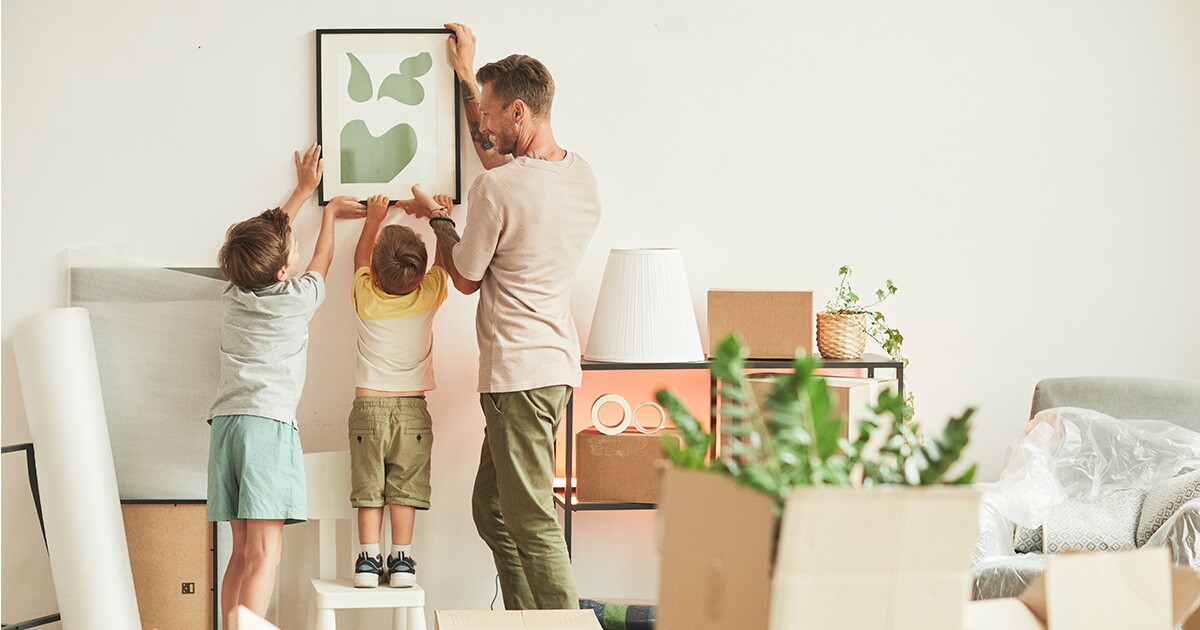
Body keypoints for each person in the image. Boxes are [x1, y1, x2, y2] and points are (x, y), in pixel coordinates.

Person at [407, 23, 603, 610]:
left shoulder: (498, 192)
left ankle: (560, 625)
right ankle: (525, 620)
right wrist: (467, 76)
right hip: (553, 369)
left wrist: (439, 220)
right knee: (492, 510)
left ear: (520, 111)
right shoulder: (582, 177)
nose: (484, 125)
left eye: (492, 114)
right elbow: (498, 163)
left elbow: (464, 277)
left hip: (517, 377)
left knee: (532, 522)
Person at [207, 143, 365, 623]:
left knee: (239, 552)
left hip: (226, 429)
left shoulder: (233, 293)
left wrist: (302, 191)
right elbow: (322, 257)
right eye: (290, 248)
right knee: (266, 554)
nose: (297, 246)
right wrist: (331, 216)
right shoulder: (298, 298)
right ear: (282, 272)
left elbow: (273, 238)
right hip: (266, 429)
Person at [346, 187, 453, 588]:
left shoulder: (364, 296)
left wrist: (374, 219)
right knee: (404, 489)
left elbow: (359, 259)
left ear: (373, 274)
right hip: (412, 411)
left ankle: (367, 561)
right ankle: (403, 561)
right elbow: (444, 264)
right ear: (420, 274)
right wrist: (439, 216)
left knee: (369, 488)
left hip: (367, 409)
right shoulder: (428, 294)